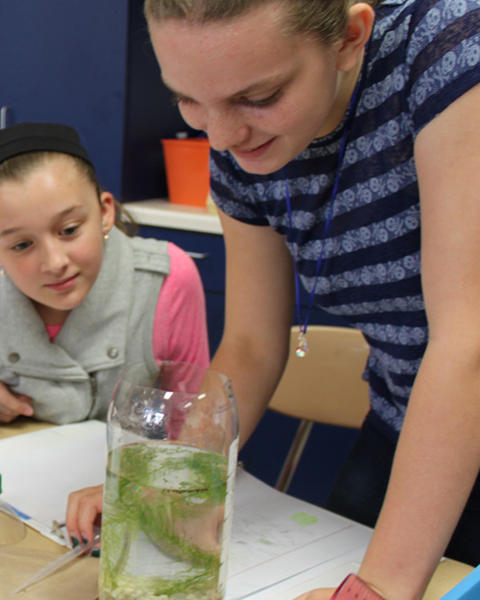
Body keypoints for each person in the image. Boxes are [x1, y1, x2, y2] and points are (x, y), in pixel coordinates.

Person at [67, 0, 480, 597]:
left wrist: (380, 588)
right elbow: (253, 344)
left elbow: (467, 342)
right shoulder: (234, 145)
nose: (223, 135)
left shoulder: (446, 52)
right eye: (187, 98)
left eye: (257, 98)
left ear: (349, 38)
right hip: (405, 421)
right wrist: (173, 478)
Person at [0, 122, 209, 424]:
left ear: (105, 212)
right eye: (21, 245)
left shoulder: (166, 280)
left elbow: (190, 415)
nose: (55, 262)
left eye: (69, 230)